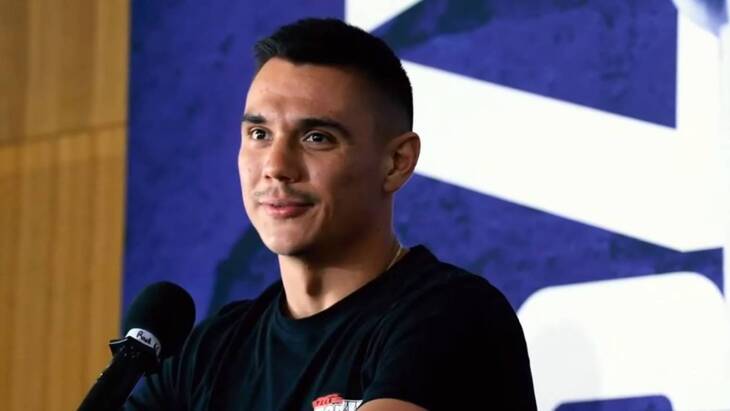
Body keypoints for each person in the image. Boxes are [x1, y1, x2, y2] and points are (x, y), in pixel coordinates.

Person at [126, 18, 536, 411]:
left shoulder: (453, 315)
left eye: (316, 137)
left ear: (396, 162)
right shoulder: (211, 351)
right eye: (259, 134)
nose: (276, 166)